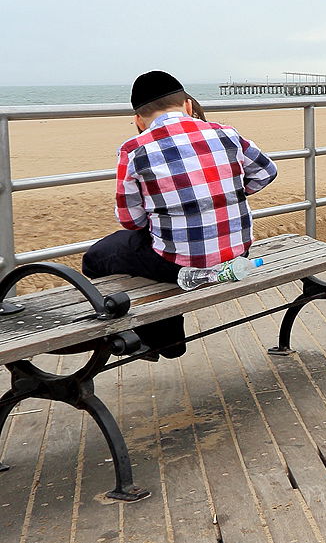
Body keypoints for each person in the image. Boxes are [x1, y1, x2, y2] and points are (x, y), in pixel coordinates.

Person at [82, 71, 277, 358]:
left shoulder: (134, 150)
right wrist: (221, 193)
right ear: (187, 105)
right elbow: (266, 172)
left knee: (98, 257)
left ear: (138, 120)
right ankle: (164, 335)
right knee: (151, 249)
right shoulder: (226, 133)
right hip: (238, 255)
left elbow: (130, 220)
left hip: (179, 267)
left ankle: (156, 337)